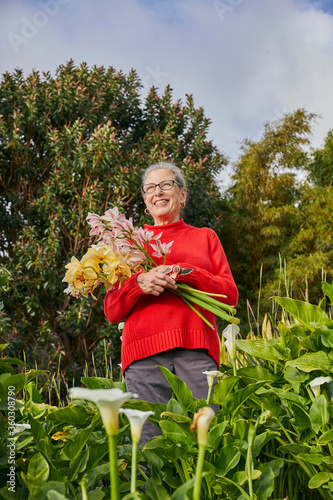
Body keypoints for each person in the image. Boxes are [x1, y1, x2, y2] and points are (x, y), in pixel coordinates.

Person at [104, 161, 238, 444]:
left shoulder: (205, 237)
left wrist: (184, 273)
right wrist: (138, 284)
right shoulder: (129, 243)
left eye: (167, 185)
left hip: (197, 351)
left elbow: (229, 295)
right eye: (150, 188)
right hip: (143, 356)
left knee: (207, 440)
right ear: (145, 200)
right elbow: (112, 310)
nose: (158, 192)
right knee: (149, 448)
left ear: (183, 195)